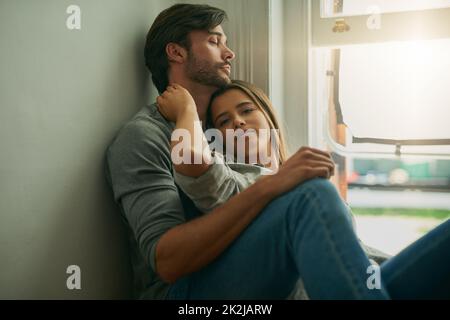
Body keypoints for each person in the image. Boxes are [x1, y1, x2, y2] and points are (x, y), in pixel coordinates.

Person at [105, 4, 450, 299]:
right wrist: (278, 183)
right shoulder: (143, 137)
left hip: (259, 270)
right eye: (214, 41)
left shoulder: (225, 137)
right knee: (310, 195)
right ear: (177, 53)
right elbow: (168, 263)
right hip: (186, 293)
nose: (230, 53)